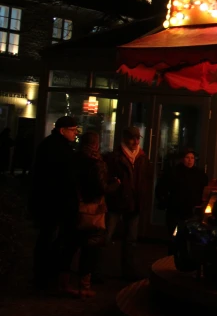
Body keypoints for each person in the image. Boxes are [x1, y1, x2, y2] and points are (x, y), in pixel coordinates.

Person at [59, 131, 116, 298]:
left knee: (69, 248)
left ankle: (64, 284)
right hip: (91, 212)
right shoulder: (96, 163)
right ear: (96, 144)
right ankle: (84, 286)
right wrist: (114, 185)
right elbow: (100, 188)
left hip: (71, 209)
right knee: (89, 250)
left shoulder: (72, 159)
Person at [29, 116, 78, 290]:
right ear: (62, 130)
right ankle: (45, 277)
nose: (75, 133)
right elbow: (59, 178)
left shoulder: (53, 145)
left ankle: (44, 275)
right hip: (54, 202)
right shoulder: (57, 148)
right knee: (50, 239)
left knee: (48, 238)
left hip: (51, 202)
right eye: (72, 130)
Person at [104, 126, 149, 281]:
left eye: (137, 138)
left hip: (133, 202)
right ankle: (98, 270)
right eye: (132, 138)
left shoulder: (141, 157)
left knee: (131, 239)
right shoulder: (115, 157)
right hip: (117, 201)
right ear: (125, 138)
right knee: (107, 235)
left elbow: (143, 180)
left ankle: (127, 271)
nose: (135, 141)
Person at [155, 149, 209, 239]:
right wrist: (165, 202)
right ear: (182, 159)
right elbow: (161, 188)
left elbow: (204, 190)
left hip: (192, 211)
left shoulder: (199, 174)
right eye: (187, 157)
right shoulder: (173, 172)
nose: (190, 160)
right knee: (174, 236)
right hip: (175, 210)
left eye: (192, 158)